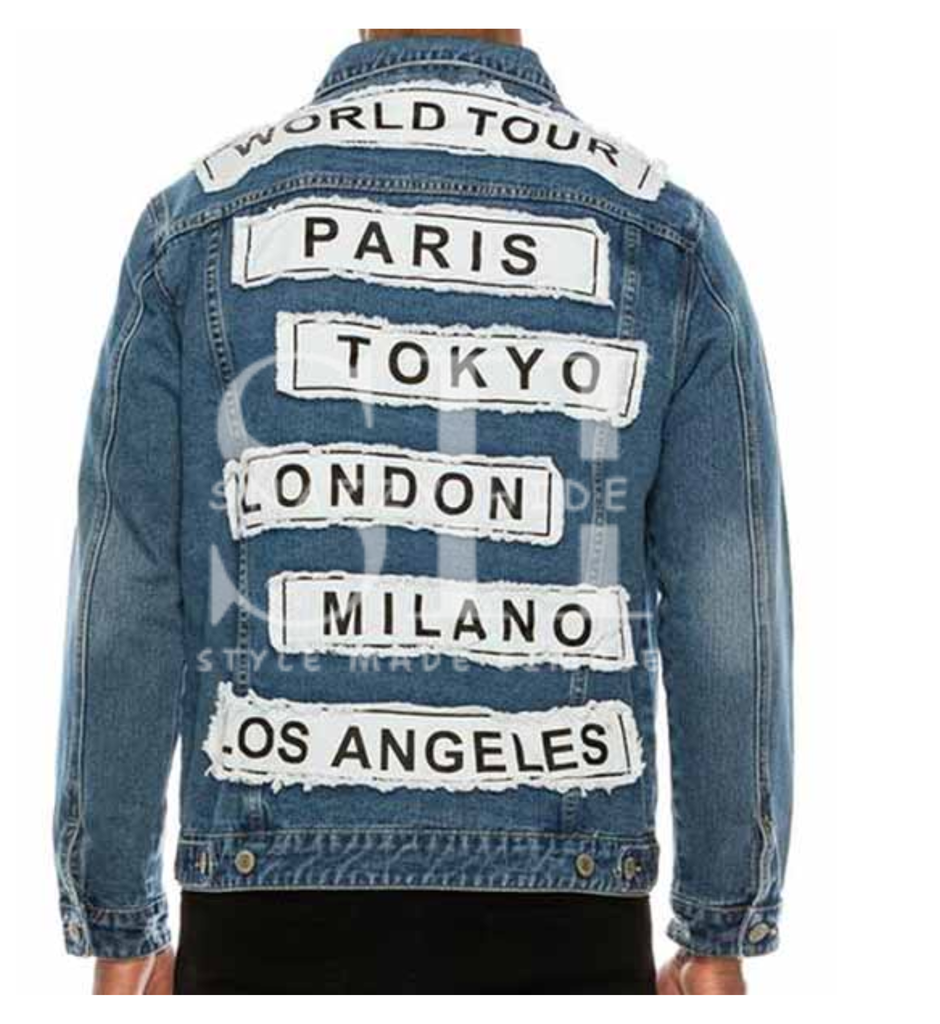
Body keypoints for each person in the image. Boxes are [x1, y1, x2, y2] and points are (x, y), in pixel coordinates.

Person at [54, 28, 792, 995]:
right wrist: (718, 929)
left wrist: (118, 920)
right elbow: (726, 610)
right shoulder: (662, 236)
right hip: (568, 906)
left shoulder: (197, 225)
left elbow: (130, 589)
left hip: (259, 900)